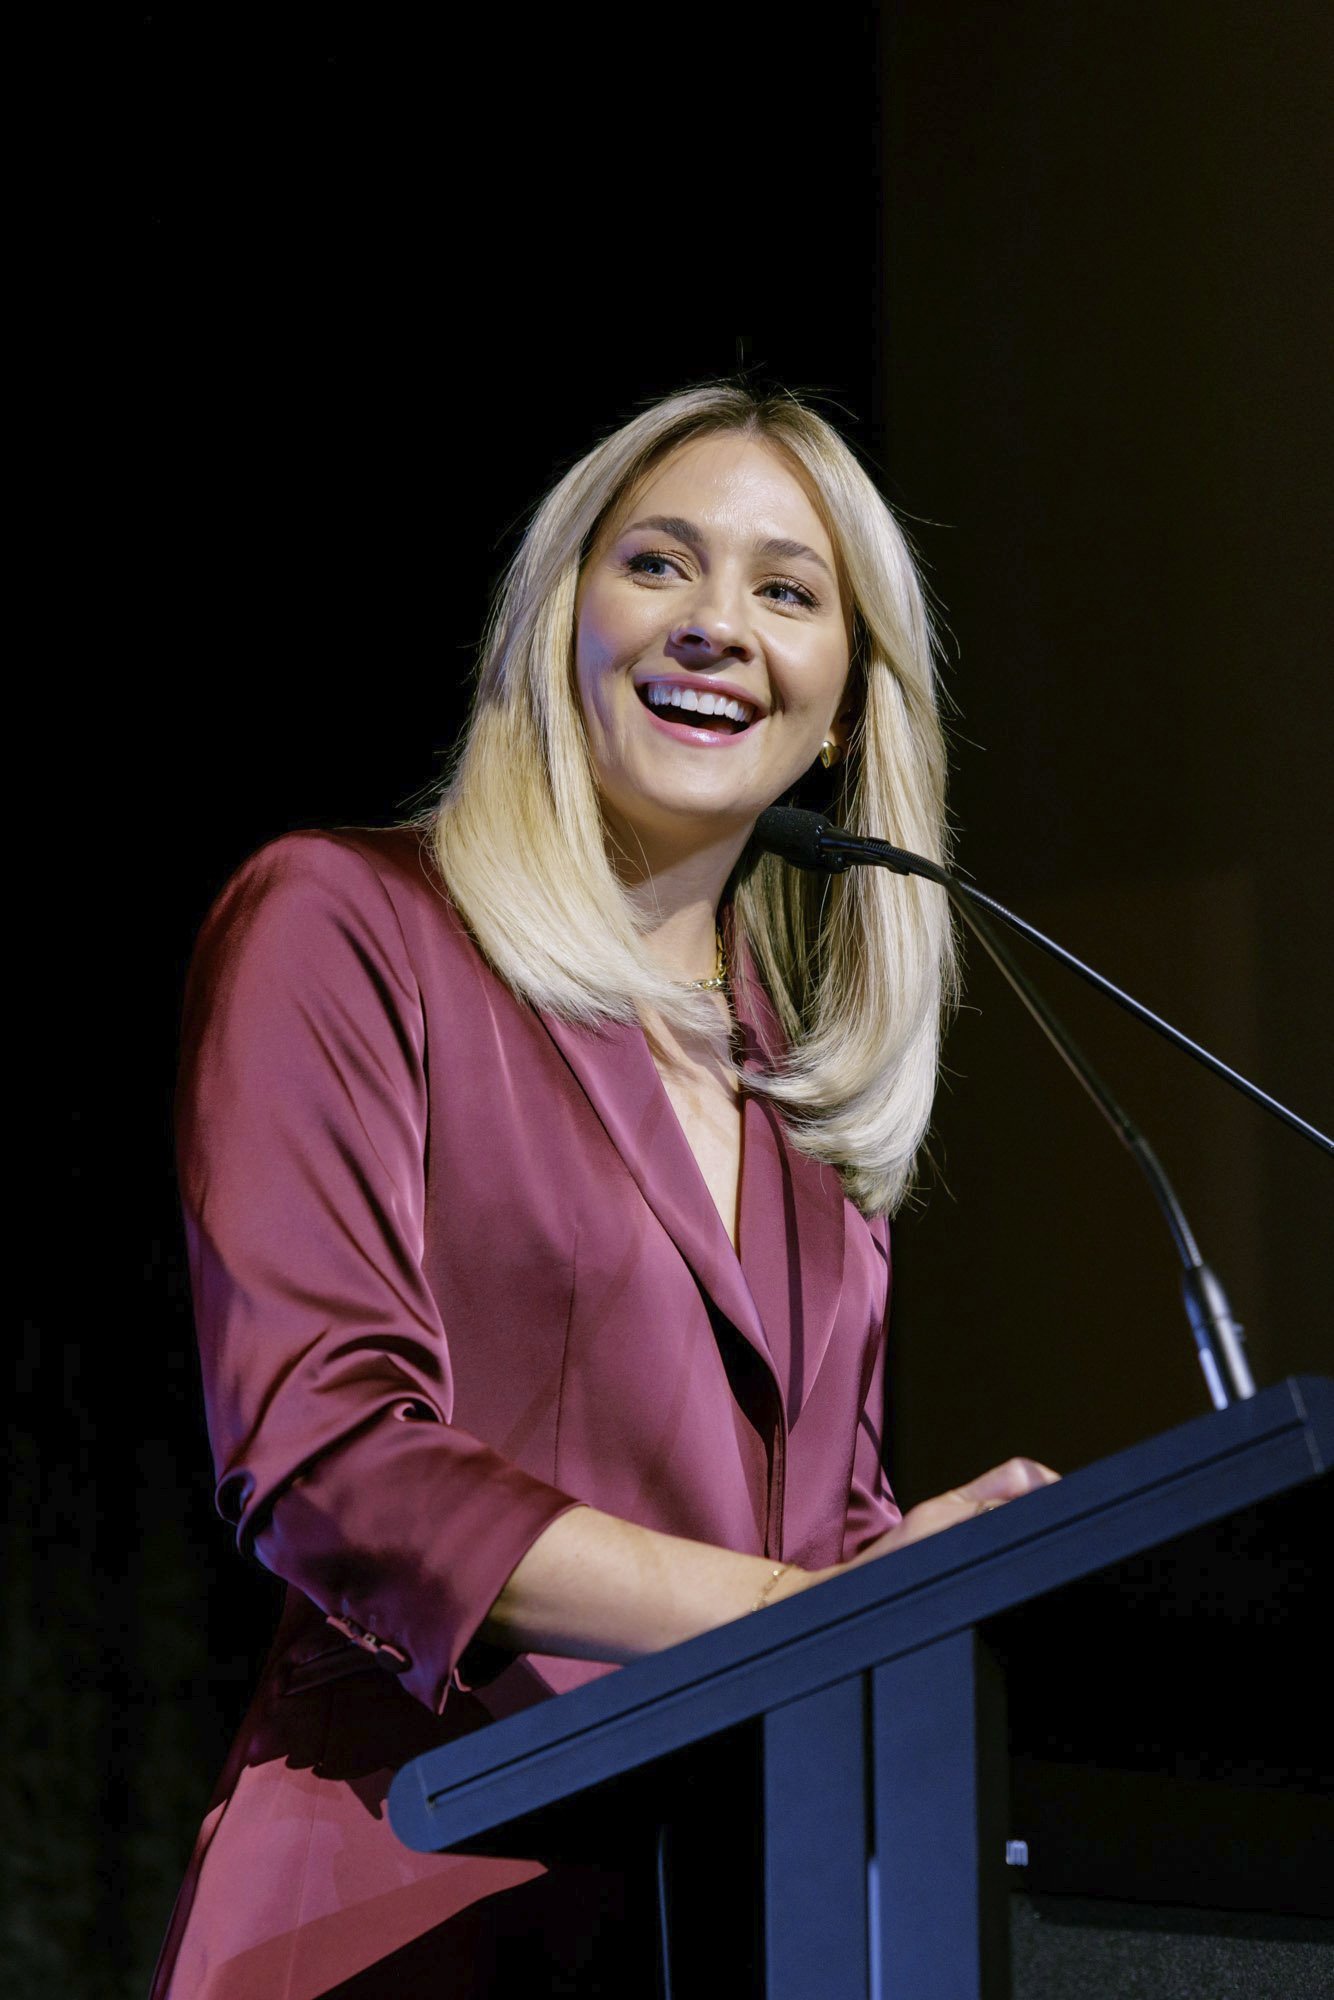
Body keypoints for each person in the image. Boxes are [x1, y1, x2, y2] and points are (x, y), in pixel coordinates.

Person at [151, 382, 1059, 1998]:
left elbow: (798, 1529)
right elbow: (331, 1456)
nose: (717, 626)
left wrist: (917, 1575)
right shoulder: (350, 928)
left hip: (726, 1919)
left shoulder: (803, 1096)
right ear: (558, 620)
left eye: (786, 593)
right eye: (658, 566)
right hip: (403, 1901)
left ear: (841, 706)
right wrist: (811, 1609)